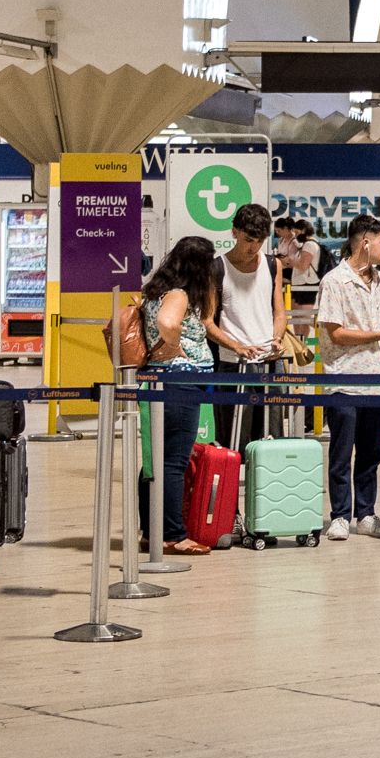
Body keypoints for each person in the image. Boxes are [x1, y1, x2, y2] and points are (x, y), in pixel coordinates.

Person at [318, 215, 380, 538]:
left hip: (377, 381)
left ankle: (366, 514)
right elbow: (337, 333)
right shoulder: (333, 282)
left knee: (371, 452)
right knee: (341, 453)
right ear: (365, 242)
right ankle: (340, 515)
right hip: (343, 379)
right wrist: (378, 335)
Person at [136, 237, 220, 553]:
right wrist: (176, 347)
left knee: (152, 460)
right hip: (181, 382)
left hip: (156, 380)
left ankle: (151, 532)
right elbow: (167, 322)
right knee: (174, 462)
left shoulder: (155, 292)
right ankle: (173, 535)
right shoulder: (180, 294)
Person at [209, 203, 282, 452]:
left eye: (260, 240)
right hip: (232, 363)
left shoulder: (273, 265)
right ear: (234, 232)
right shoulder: (217, 268)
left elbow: (279, 311)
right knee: (233, 444)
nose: (254, 247)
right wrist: (237, 346)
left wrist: (278, 338)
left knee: (270, 443)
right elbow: (207, 322)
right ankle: (231, 492)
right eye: (249, 239)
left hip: (270, 361)